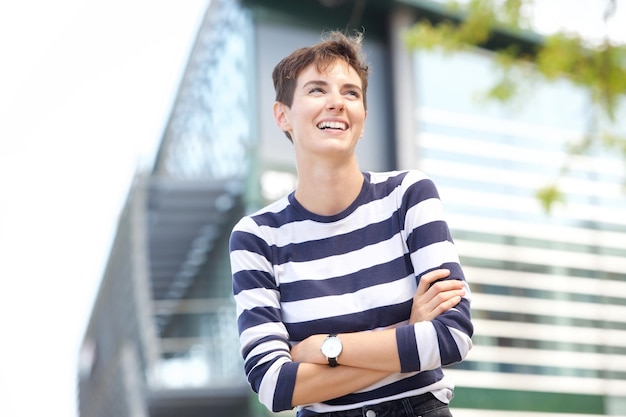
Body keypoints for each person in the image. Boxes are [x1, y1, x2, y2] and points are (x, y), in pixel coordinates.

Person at [229, 31, 473, 417]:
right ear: (282, 115)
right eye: (317, 90)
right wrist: (405, 335)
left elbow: (452, 336)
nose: (336, 104)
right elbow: (274, 386)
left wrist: (326, 349)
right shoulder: (257, 237)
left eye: (351, 93)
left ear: (363, 117)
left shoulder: (408, 196)